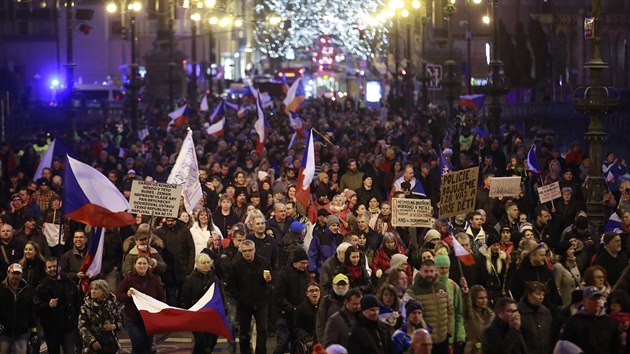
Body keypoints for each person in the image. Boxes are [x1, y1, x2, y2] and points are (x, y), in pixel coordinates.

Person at [227, 239, 272, 354]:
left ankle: (261, 352)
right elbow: (231, 285)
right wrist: (240, 299)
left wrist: (269, 282)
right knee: (244, 332)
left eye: (250, 250)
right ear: (241, 252)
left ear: (254, 250)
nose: (247, 253)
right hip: (244, 303)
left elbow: (272, 281)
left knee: (263, 330)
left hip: (261, 302)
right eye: (245, 251)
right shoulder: (235, 265)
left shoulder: (264, 262)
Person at [116, 255, 165, 354]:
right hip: (132, 318)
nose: (142, 266)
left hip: (149, 319)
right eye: (139, 263)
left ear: (148, 265)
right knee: (138, 344)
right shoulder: (128, 279)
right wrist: (127, 295)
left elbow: (161, 298)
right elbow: (119, 296)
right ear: (134, 265)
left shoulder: (154, 280)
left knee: (147, 347)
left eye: (144, 263)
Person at [404, 259, 453, 354]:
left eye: (431, 271)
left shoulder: (442, 287)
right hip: (425, 344)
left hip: (443, 339)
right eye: (426, 271)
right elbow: (409, 319)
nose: (429, 274)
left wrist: (449, 331)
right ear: (420, 272)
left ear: (435, 271)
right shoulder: (413, 291)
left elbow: (450, 310)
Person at [35, 257, 81, 354]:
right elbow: (36, 309)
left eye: (54, 266)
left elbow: (77, 304)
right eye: (49, 267)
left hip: (69, 327)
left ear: (59, 267)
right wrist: (48, 305)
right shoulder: (41, 287)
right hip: (51, 329)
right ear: (46, 269)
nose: (52, 269)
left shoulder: (70, 283)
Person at [180, 253, 221, 354]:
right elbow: (185, 299)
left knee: (212, 340)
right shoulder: (190, 280)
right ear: (197, 264)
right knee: (201, 341)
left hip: (212, 314)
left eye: (208, 262)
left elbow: (221, 295)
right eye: (203, 263)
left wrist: (224, 310)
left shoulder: (214, 278)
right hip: (197, 315)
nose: (207, 265)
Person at [561, 286, 620, 354]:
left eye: (598, 298)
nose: (597, 301)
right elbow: (567, 347)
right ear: (584, 302)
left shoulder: (609, 321)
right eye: (593, 298)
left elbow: (616, 346)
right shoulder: (574, 321)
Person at [272, 248, 310, 354]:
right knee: (284, 339)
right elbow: (278, 297)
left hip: (297, 314)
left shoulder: (306, 275)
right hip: (282, 314)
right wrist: (292, 309)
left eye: (306, 263)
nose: (305, 266)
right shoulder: (283, 275)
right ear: (295, 262)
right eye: (302, 263)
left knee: (296, 341)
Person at [154, 217, 195, 306]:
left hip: (183, 269)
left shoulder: (184, 230)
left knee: (183, 297)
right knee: (171, 297)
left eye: (172, 221)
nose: (170, 223)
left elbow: (191, 249)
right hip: (168, 270)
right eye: (168, 221)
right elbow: (158, 251)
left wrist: (189, 268)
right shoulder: (160, 232)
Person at [0, 263, 38, 354]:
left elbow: (31, 311)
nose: (16, 276)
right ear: (8, 273)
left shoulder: (27, 290)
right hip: (4, 333)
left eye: (18, 274)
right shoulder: (1, 290)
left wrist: (34, 331)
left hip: (22, 333)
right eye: (13, 273)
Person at [78, 280, 122, 354]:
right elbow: (82, 327)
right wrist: (92, 341)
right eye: (92, 289)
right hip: (93, 345)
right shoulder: (85, 307)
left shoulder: (112, 305)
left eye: (96, 289)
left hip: (111, 344)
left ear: (104, 291)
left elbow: (119, 321)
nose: (93, 291)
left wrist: (114, 326)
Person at [517, 281, 552, 354]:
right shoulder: (518, 312)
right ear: (528, 294)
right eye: (538, 294)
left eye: (543, 295)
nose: (541, 298)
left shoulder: (545, 312)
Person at [316, 273, 350, 342]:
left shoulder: (353, 301)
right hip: (331, 341)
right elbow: (320, 325)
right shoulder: (326, 301)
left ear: (348, 286)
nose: (341, 287)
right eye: (338, 284)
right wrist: (323, 343)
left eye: (343, 284)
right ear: (333, 285)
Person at [461, 284, 494, 354]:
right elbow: (466, 305)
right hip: (473, 350)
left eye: (485, 297)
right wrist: (466, 294)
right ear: (473, 299)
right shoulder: (470, 314)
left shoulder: (491, 313)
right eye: (480, 298)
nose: (484, 300)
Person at [294, 282, 321, 352]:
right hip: (309, 338)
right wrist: (306, 337)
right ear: (307, 294)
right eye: (311, 291)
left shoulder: (324, 306)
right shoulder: (301, 309)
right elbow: (297, 327)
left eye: (316, 290)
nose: (314, 293)